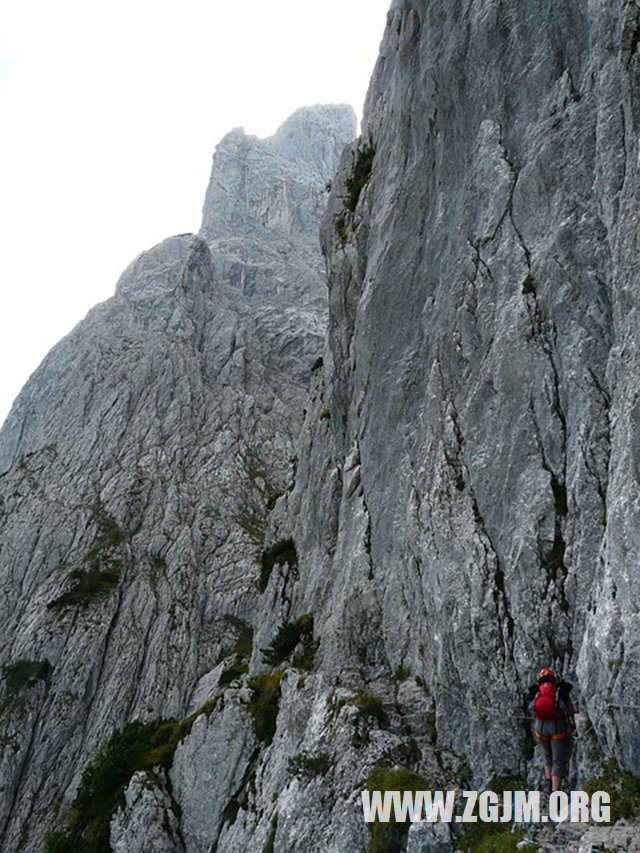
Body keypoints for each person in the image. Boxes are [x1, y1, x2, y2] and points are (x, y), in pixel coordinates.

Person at [527, 668, 575, 793]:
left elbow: (531, 705)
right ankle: (555, 792)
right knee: (558, 760)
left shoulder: (536, 689)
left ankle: (548, 785)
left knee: (547, 755)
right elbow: (570, 708)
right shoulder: (560, 689)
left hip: (540, 726)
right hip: (557, 726)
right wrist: (572, 722)